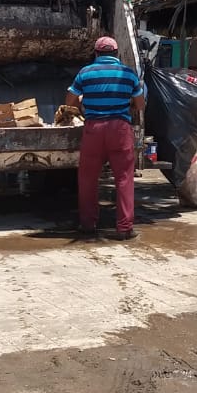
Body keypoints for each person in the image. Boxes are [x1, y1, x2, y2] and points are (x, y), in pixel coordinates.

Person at [65, 36, 145, 240]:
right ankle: (125, 228)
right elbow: (140, 104)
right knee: (124, 178)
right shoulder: (128, 74)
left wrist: (80, 105)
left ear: (96, 53)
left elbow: (70, 100)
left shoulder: (85, 72)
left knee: (88, 178)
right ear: (116, 54)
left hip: (94, 129)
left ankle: (88, 224)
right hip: (120, 129)